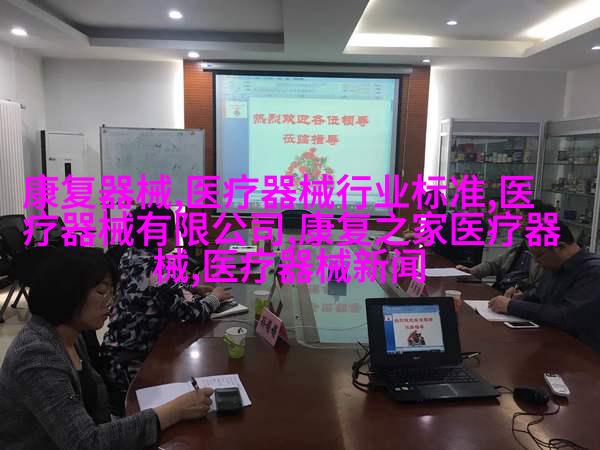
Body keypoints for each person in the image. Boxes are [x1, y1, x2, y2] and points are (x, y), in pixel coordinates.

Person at [0, 248, 214, 450]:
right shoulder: (36, 355)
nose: (111, 302)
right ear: (67, 291)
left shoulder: (72, 335)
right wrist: (175, 410)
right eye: (102, 292)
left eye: (112, 292)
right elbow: (86, 443)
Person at [100, 206, 231, 414]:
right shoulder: (155, 268)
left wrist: (191, 287)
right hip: (133, 366)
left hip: (114, 354)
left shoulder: (130, 255)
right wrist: (216, 297)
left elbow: (158, 284)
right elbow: (191, 314)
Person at [489, 221, 600, 351]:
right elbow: (541, 298)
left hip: (583, 353)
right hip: (551, 341)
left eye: (539, 255)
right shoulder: (555, 266)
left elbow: (565, 317)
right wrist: (522, 298)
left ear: (560, 247)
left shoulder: (593, 272)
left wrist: (511, 306)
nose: (536, 262)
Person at [456, 201, 556, 294]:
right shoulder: (519, 247)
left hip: (515, 299)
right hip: (499, 292)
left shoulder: (546, 254)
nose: (519, 223)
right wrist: (471, 271)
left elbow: (540, 288)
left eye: (524, 219)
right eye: (519, 219)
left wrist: (523, 296)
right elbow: (493, 265)